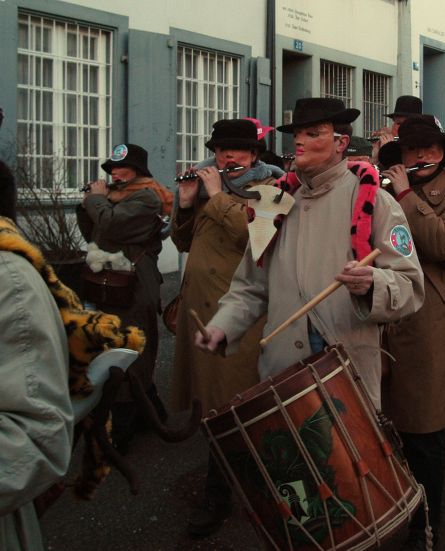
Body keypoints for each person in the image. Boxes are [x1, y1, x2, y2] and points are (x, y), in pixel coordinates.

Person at [195, 96, 424, 412]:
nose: (299, 141)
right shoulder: (270, 203)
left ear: (341, 143)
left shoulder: (375, 201)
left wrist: (373, 283)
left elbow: (410, 285)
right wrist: (223, 325)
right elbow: (250, 284)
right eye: (297, 134)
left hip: (345, 367)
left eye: (313, 134)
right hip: (281, 367)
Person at [170, 118, 279, 538]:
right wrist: (185, 203)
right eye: (220, 150)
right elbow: (183, 242)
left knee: (232, 407)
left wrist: (216, 196)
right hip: (200, 312)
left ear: (253, 155)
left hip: (239, 318)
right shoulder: (206, 190)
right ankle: (228, 488)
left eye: (235, 151)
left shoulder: (271, 187)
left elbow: (257, 238)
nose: (226, 157)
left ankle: (226, 495)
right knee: (209, 404)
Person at [380, 115, 445, 548]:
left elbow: (443, 243)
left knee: (424, 431)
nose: (420, 156)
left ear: (442, 153)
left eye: (430, 149)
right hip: (385, 315)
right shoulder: (384, 188)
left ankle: (425, 525)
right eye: (411, 149)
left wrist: (405, 196)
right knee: (388, 430)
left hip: (430, 320)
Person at [76, 143, 172, 453]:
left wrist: (95, 200)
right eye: (113, 169)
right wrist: (87, 204)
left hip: (135, 284)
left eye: (123, 169)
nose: (115, 174)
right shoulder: (113, 198)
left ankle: (123, 430)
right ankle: (151, 414)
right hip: (113, 282)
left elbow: (112, 226)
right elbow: (95, 234)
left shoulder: (147, 197)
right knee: (117, 346)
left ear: (138, 172)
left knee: (132, 348)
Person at [0, 159, 74, 551]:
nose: (116, 176)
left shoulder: (9, 278)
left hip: (134, 279)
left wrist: (212, 198)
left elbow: (38, 435)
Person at [371, 95, 423, 164]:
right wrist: (376, 156)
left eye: (399, 123)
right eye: (395, 122)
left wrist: (388, 150)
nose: (394, 127)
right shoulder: (396, 141)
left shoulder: (422, 149)